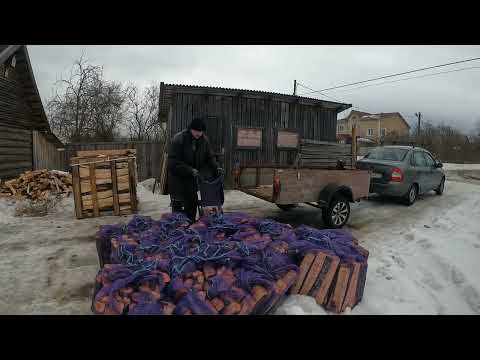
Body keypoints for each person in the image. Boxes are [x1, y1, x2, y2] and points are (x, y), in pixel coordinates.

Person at [167, 117, 222, 222]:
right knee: (179, 210)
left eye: (200, 131)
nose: (198, 133)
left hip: (192, 181)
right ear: (190, 129)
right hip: (178, 181)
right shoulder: (179, 139)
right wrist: (190, 170)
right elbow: (173, 163)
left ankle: (191, 228)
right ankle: (179, 232)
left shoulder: (204, 141)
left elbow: (209, 156)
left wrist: (216, 167)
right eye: (196, 130)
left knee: (192, 205)